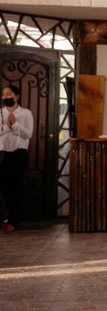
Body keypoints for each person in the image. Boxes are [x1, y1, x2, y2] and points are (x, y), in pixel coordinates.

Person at [0, 85, 34, 233]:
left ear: (17, 96)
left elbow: (28, 134)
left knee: (15, 187)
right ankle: (3, 221)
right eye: (4, 95)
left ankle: (13, 221)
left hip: (19, 153)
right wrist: (9, 124)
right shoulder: (0, 113)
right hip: (2, 152)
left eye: (9, 95)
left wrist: (16, 124)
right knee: (2, 187)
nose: (6, 97)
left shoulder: (26, 113)